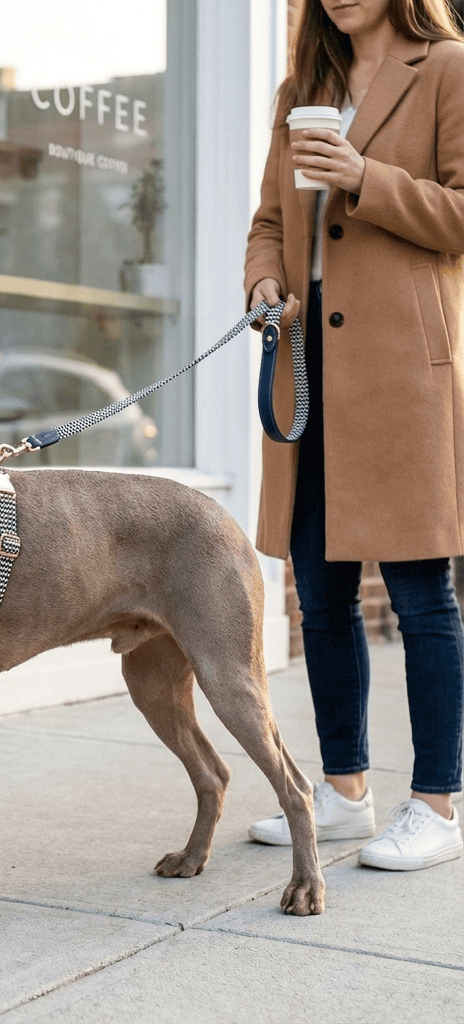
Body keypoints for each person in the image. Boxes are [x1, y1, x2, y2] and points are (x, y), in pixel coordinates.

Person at [244, 0, 464, 870]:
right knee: (319, 591)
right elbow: (269, 221)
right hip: (306, 366)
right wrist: (263, 282)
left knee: (419, 594)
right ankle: (345, 795)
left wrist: (363, 175)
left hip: (404, 372)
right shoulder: (304, 84)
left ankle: (440, 806)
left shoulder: (447, 67)